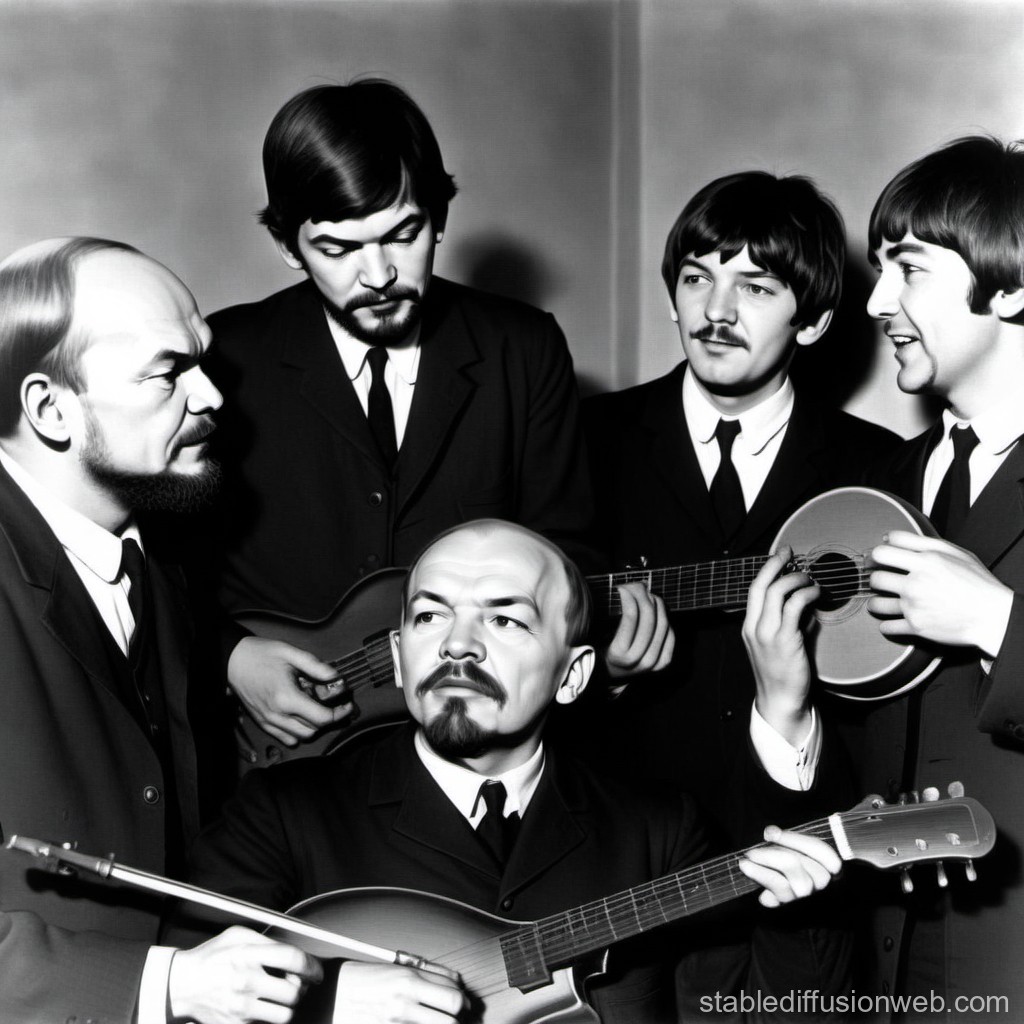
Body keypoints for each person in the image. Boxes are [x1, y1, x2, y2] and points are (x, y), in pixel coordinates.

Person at [179, 519, 848, 1023]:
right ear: (401, 655)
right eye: (429, 615)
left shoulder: (658, 833)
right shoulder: (283, 815)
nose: (458, 644)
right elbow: (181, 993)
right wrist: (322, 999)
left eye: (504, 619)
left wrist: (800, 903)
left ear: (573, 675)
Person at [199, 79, 670, 770]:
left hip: (471, 757)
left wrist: (599, 648)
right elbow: (161, 569)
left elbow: (568, 551)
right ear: (288, 248)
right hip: (275, 764)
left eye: (404, 233)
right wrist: (231, 659)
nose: (380, 272)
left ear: (440, 215)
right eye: (339, 249)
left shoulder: (524, 347)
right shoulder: (224, 358)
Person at [0, 237, 323, 1023]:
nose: (213, 396)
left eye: (203, 359)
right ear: (51, 410)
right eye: (169, 371)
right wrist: (167, 984)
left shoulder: (157, 556)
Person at [745, 136, 1024, 1018]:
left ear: (1013, 285)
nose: (876, 302)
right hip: (878, 975)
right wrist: (785, 715)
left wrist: (996, 623)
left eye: (909, 269)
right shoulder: (873, 492)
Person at [578, 170, 898, 837]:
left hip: (801, 858)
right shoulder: (582, 439)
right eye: (697, 278)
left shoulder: (878, 466)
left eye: (754, 288)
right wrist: (605, 675)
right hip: (626, 859)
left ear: (810, 323)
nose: (715, 312)